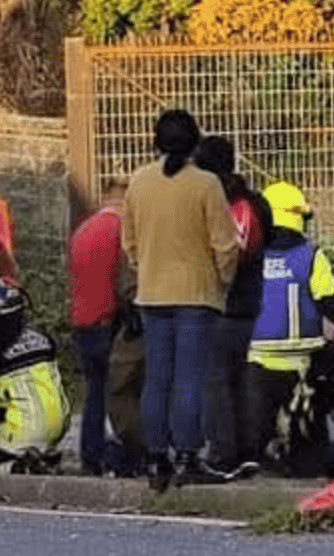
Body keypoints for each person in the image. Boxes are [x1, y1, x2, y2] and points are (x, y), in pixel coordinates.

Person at [121, 109, 242, 490]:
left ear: (155, 140)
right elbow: (225, 246)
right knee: (190, 378)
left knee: (157, 377)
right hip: (196, 293)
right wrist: (222, 281)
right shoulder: (206, 184)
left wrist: (146, 269)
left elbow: (129, 242)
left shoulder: (138, 182)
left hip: (152, 294)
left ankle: (156, 456)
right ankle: (188, 454)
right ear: (194, 142)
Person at [243, 181, 334, 475]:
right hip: (302, 362)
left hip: (256, 357)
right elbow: (330, 304)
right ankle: (304, 464)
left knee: (257, 426)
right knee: (307, 428)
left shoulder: (250, 255)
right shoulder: (310, 256)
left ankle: (260, 462)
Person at [192, 135, 271, 478]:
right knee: (242, 379)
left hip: (216, 303)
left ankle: (223, 454)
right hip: (251, 302)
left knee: (215, 381)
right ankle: (249, 450)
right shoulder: (257, 203)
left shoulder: (208, 203)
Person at [69, 178, 129, 475]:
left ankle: (90, 454)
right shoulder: (121, 229)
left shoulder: (83, 229)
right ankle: (126, 453)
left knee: (94, 393)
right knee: (123, 391)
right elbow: (123, 279)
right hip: (110, 321)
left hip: (83, 320)